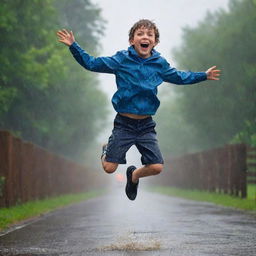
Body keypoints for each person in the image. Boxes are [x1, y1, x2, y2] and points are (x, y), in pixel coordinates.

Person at [57, 19, 220, 201]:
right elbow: (92, 63)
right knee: (109, 168)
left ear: (155, 42)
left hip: (145, 125)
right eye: (140, 34)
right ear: (132, 41)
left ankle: (133, 176)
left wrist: (203, 75)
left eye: (149, 35)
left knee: (157, 167)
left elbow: (180, 77)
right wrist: (73, 46)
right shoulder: (121, 60)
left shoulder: (159, 64)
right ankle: (106, 149)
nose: (145, 37)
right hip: (124, 124)